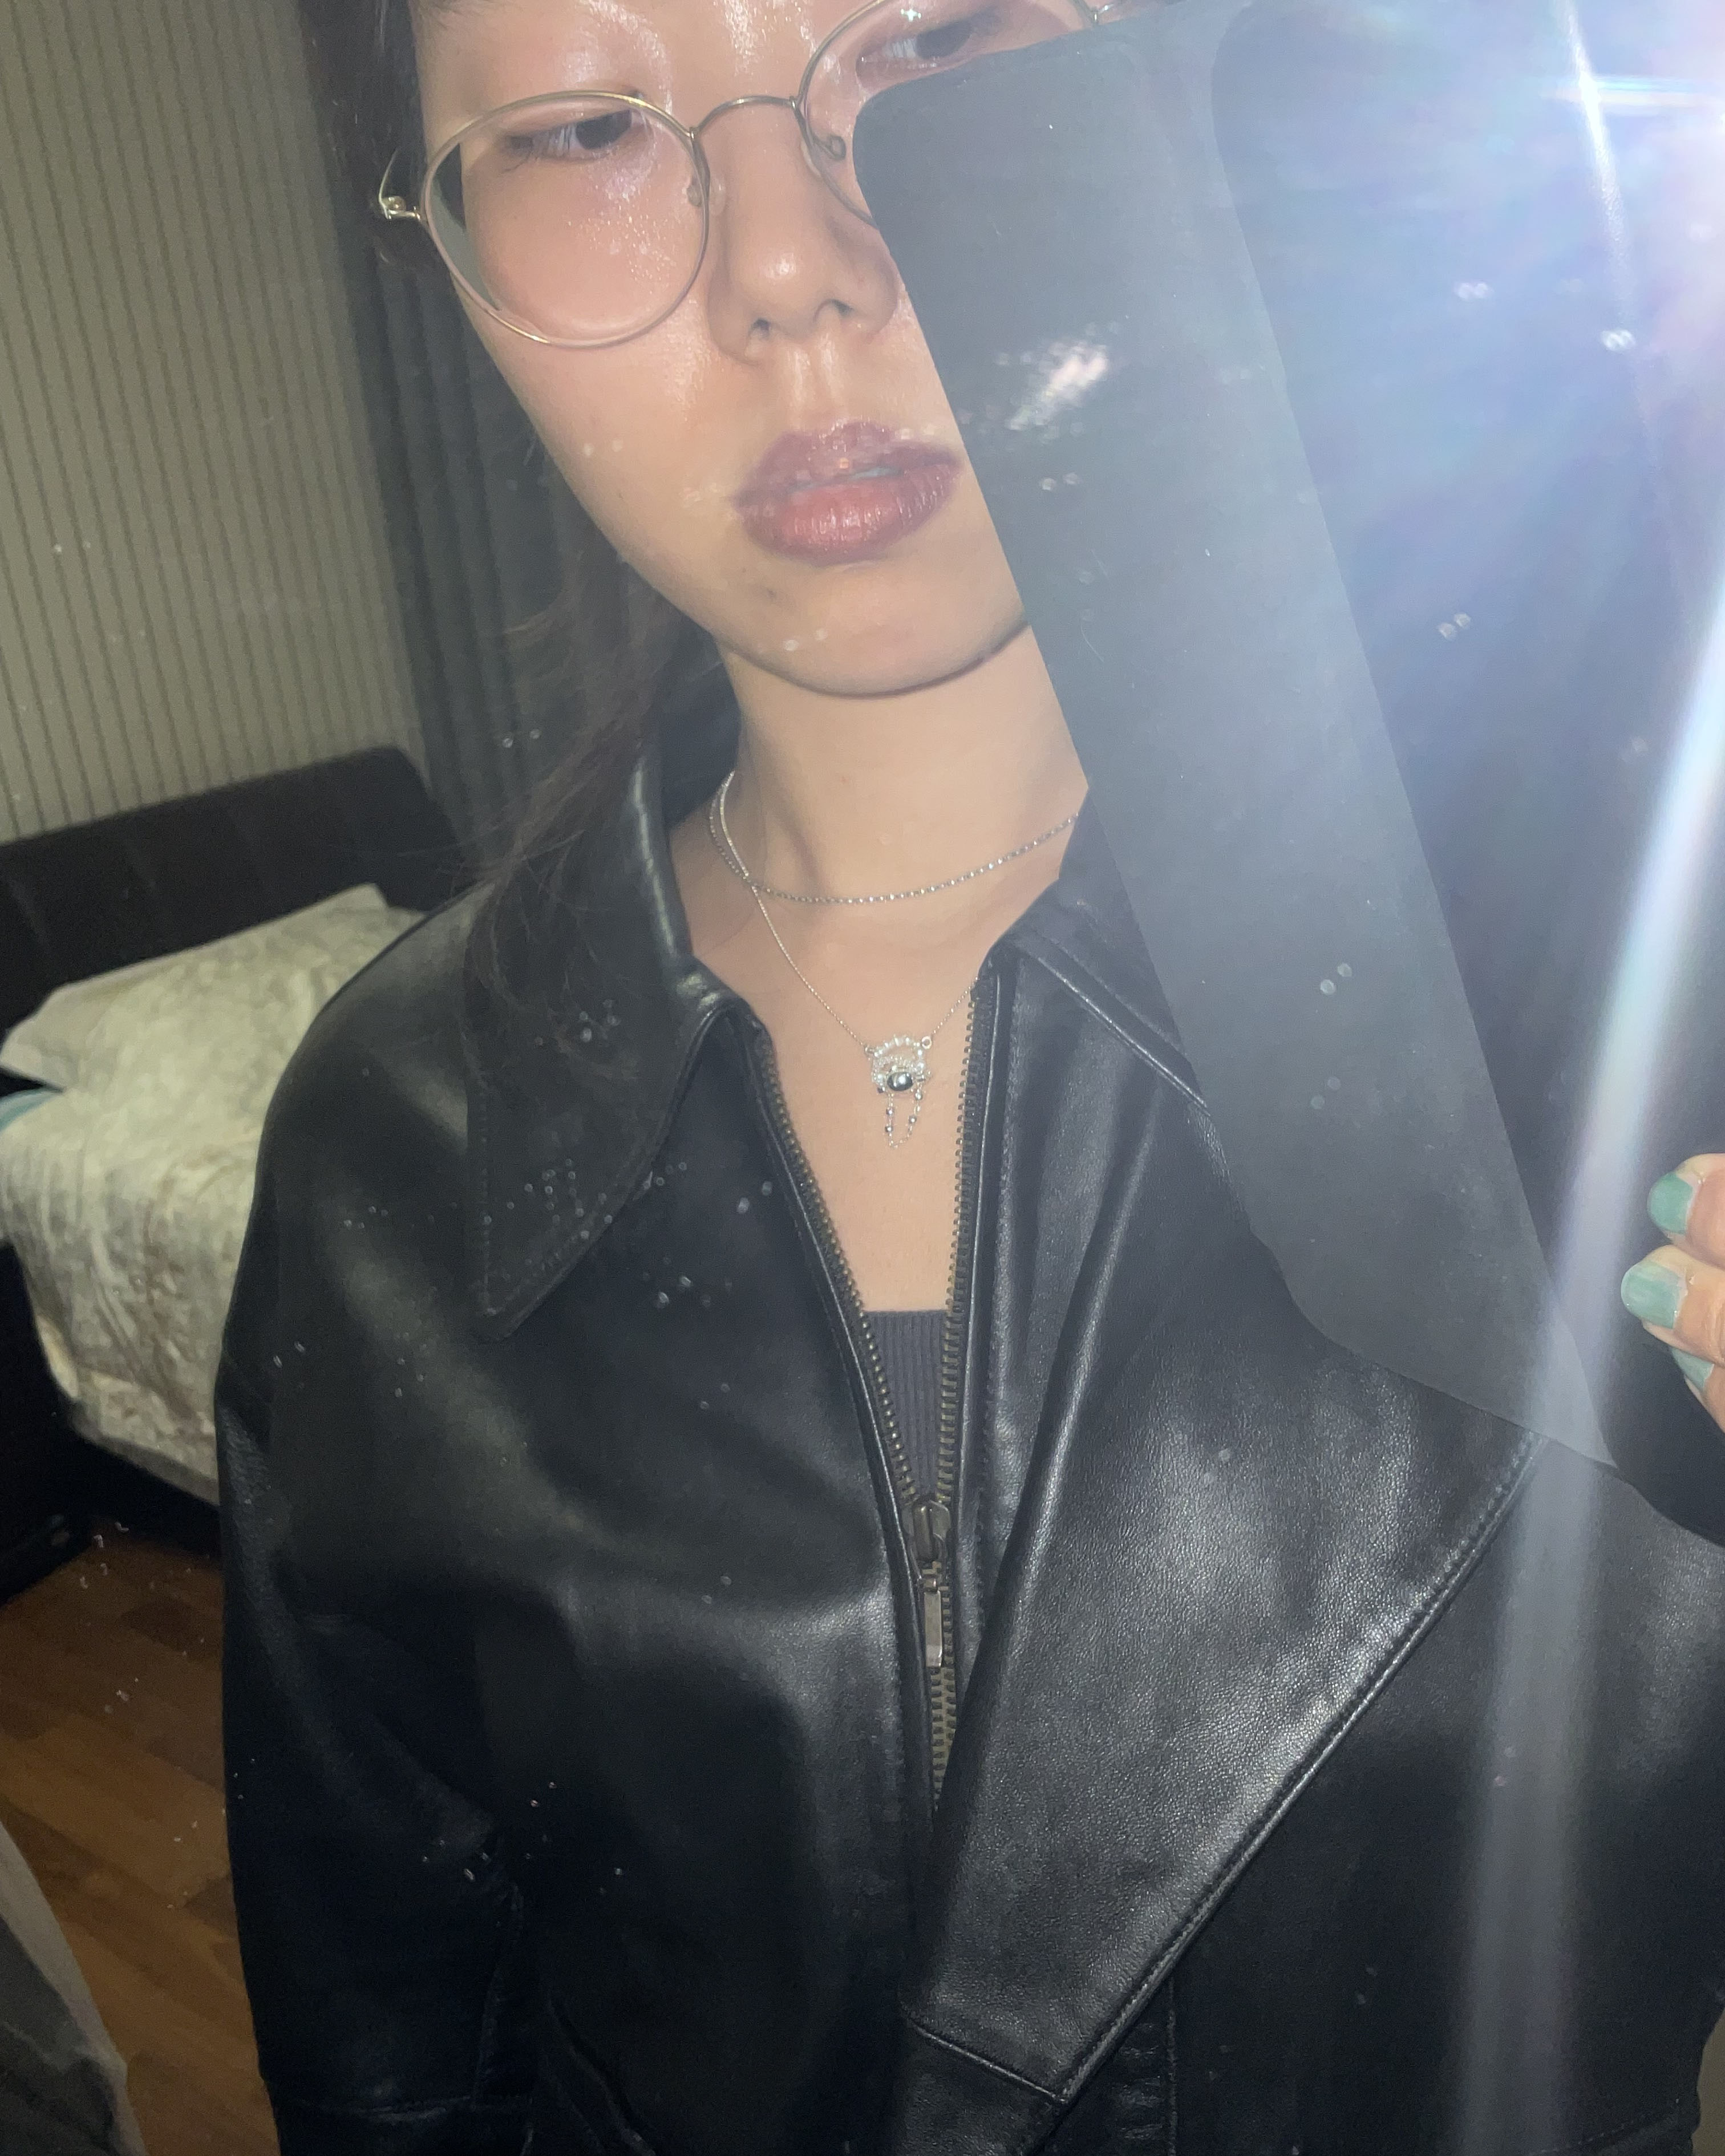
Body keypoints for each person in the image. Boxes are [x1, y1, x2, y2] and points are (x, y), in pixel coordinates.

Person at [220, 0, 1725, 2150]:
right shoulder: (386, 1138)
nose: (788, 266)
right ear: (448, 265)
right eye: (578, 133)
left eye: (931, 36)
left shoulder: (1625, 994)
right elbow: (401, 2067)